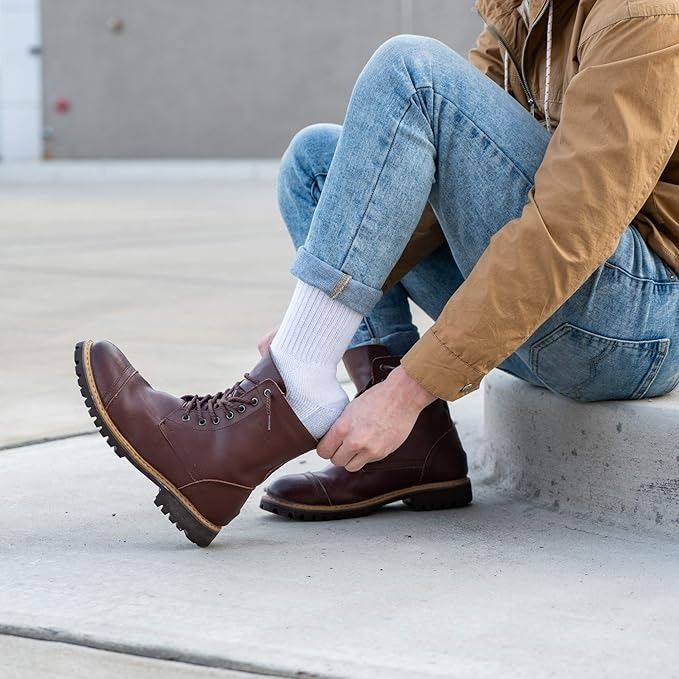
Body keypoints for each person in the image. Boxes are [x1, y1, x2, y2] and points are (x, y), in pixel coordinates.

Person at [74, 0, 679, 546]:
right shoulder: (520, 13)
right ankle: (408, 451)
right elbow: (434, 185)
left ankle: (250, 430)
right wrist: (318, 315)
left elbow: (568, 232)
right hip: (559, 309)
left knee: (412, 72)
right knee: (317, 163)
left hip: (635, 327)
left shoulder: (644, 15)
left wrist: (410, 389)